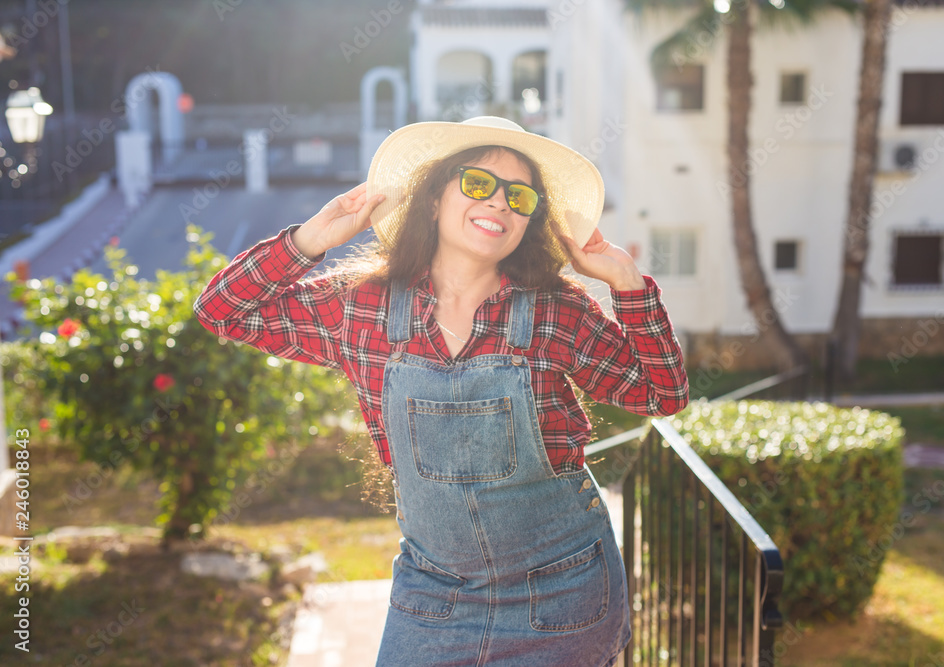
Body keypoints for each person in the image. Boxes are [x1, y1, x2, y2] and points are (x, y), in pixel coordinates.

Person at [195, 116, 689, 666]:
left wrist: (626, 284)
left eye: (519, 197)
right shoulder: (362, 307)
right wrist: (313, 238)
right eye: (478, 184)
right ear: (433, 199)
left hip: (563, 593)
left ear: (529, 220)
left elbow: (660, 394)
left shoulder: (557, 310)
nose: (499, 203)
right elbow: (222, 311)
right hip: (433, 597)